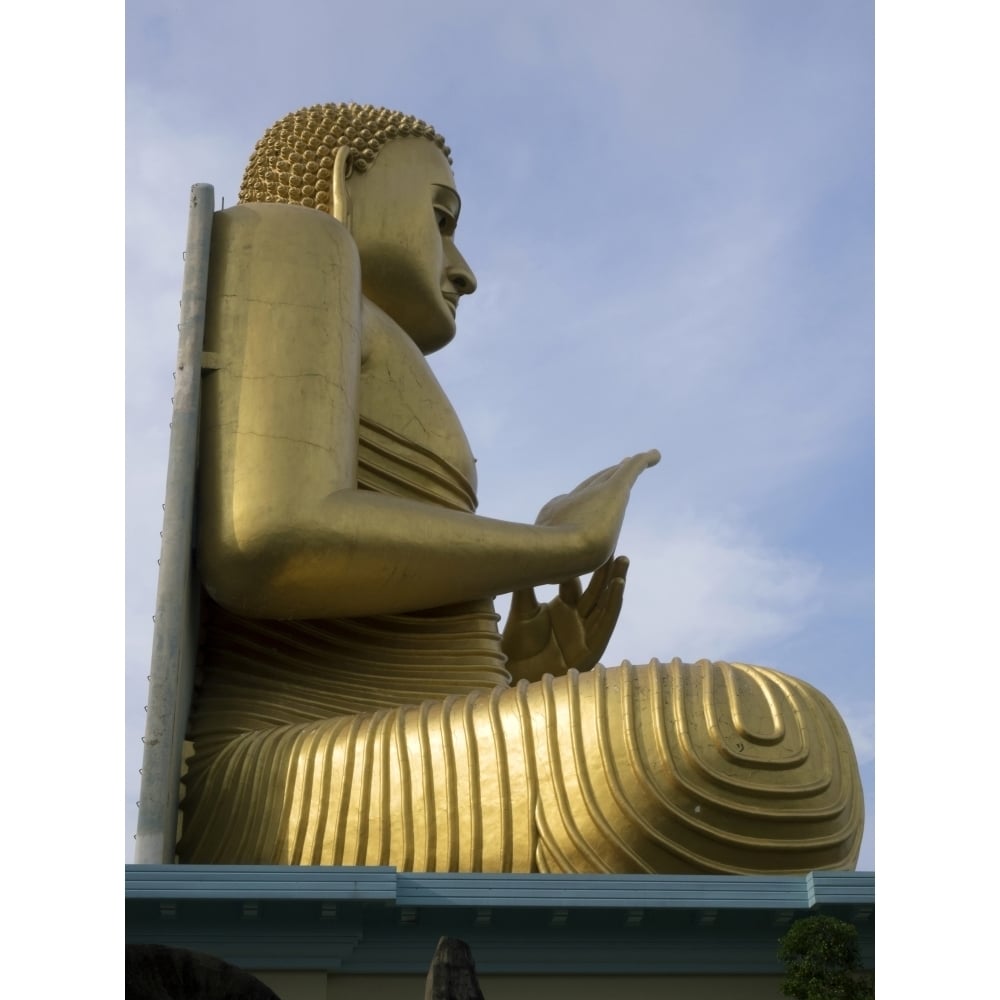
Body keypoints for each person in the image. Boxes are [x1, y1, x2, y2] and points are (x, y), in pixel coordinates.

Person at [178, 103, 863, 873]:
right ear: (345, 180)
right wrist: (560, 546)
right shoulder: (291, 241)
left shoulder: (363, 327)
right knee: (762, 729)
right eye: (441, 219)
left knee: (797, 744)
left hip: (389, 746)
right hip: (285, 779)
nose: (463, 267)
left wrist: (514, 670)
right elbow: (266, 538)